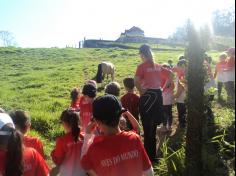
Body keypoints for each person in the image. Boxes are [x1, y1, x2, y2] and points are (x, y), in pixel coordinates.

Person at [81, 95, 154, 176]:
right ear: (121, 116)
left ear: (97, 121)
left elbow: (84, 163)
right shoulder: (134, 139)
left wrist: (88, 135)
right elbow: (149, 172)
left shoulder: (94, 149)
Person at [134, 44, 173, 162]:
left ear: (142, 54)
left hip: (148, 97)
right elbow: (171, 74)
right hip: (158, 96)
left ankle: (148, 157)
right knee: (153, 126)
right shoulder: (158, 66)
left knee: (147, 127)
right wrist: (163, 88)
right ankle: (152, 156)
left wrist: (141, 91)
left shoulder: (141, 66)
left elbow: (135, 81)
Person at [51, 109, 86, 176]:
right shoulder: (84, 137)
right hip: (82, 173)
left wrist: (53, 153)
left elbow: (58, 161)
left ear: (64, 123)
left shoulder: (62, 140)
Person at [174, 59, 187, 128]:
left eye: (178, 67)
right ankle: (184, 123)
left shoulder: (182, 75)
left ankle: (182, 124)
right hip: (186, 97)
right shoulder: (188, 74)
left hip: (181, 98)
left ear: (183, 66)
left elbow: (180, 89)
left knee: (181, 111)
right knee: (185, 111)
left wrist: (174, 97)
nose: (177, 68)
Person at [161, 64, 175, 131]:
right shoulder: (171, 79)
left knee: (164, 112)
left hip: (163, 98)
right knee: (169, 112)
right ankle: (169, 126)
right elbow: (173, 87)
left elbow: (160, 88)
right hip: (170, 98)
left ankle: (164, 127)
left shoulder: (161, 78)